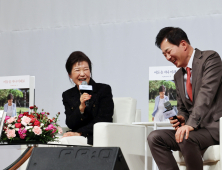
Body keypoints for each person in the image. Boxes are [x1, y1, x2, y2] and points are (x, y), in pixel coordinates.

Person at [148, 27, 222, 170]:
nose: (168, 58)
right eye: (164, 55)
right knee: (154, 138)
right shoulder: (177, 76)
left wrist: (190, 124)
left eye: (168, 52)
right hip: (194, 130)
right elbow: (183, 107)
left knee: (185, 136)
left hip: (214, 128)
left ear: (183, 44)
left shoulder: (210, 58)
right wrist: (182, 117)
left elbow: (206, 95)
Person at [62, 51, 114, 145]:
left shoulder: (103, 90)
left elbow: (104, 119)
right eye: (77, 70)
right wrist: (80, 108)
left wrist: (80, 133)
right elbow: (70, 123)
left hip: (95, 137)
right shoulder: (68, 95)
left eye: (86, 69)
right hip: (76, 136)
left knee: (66, 141)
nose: (82, 74)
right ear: (70, 75)